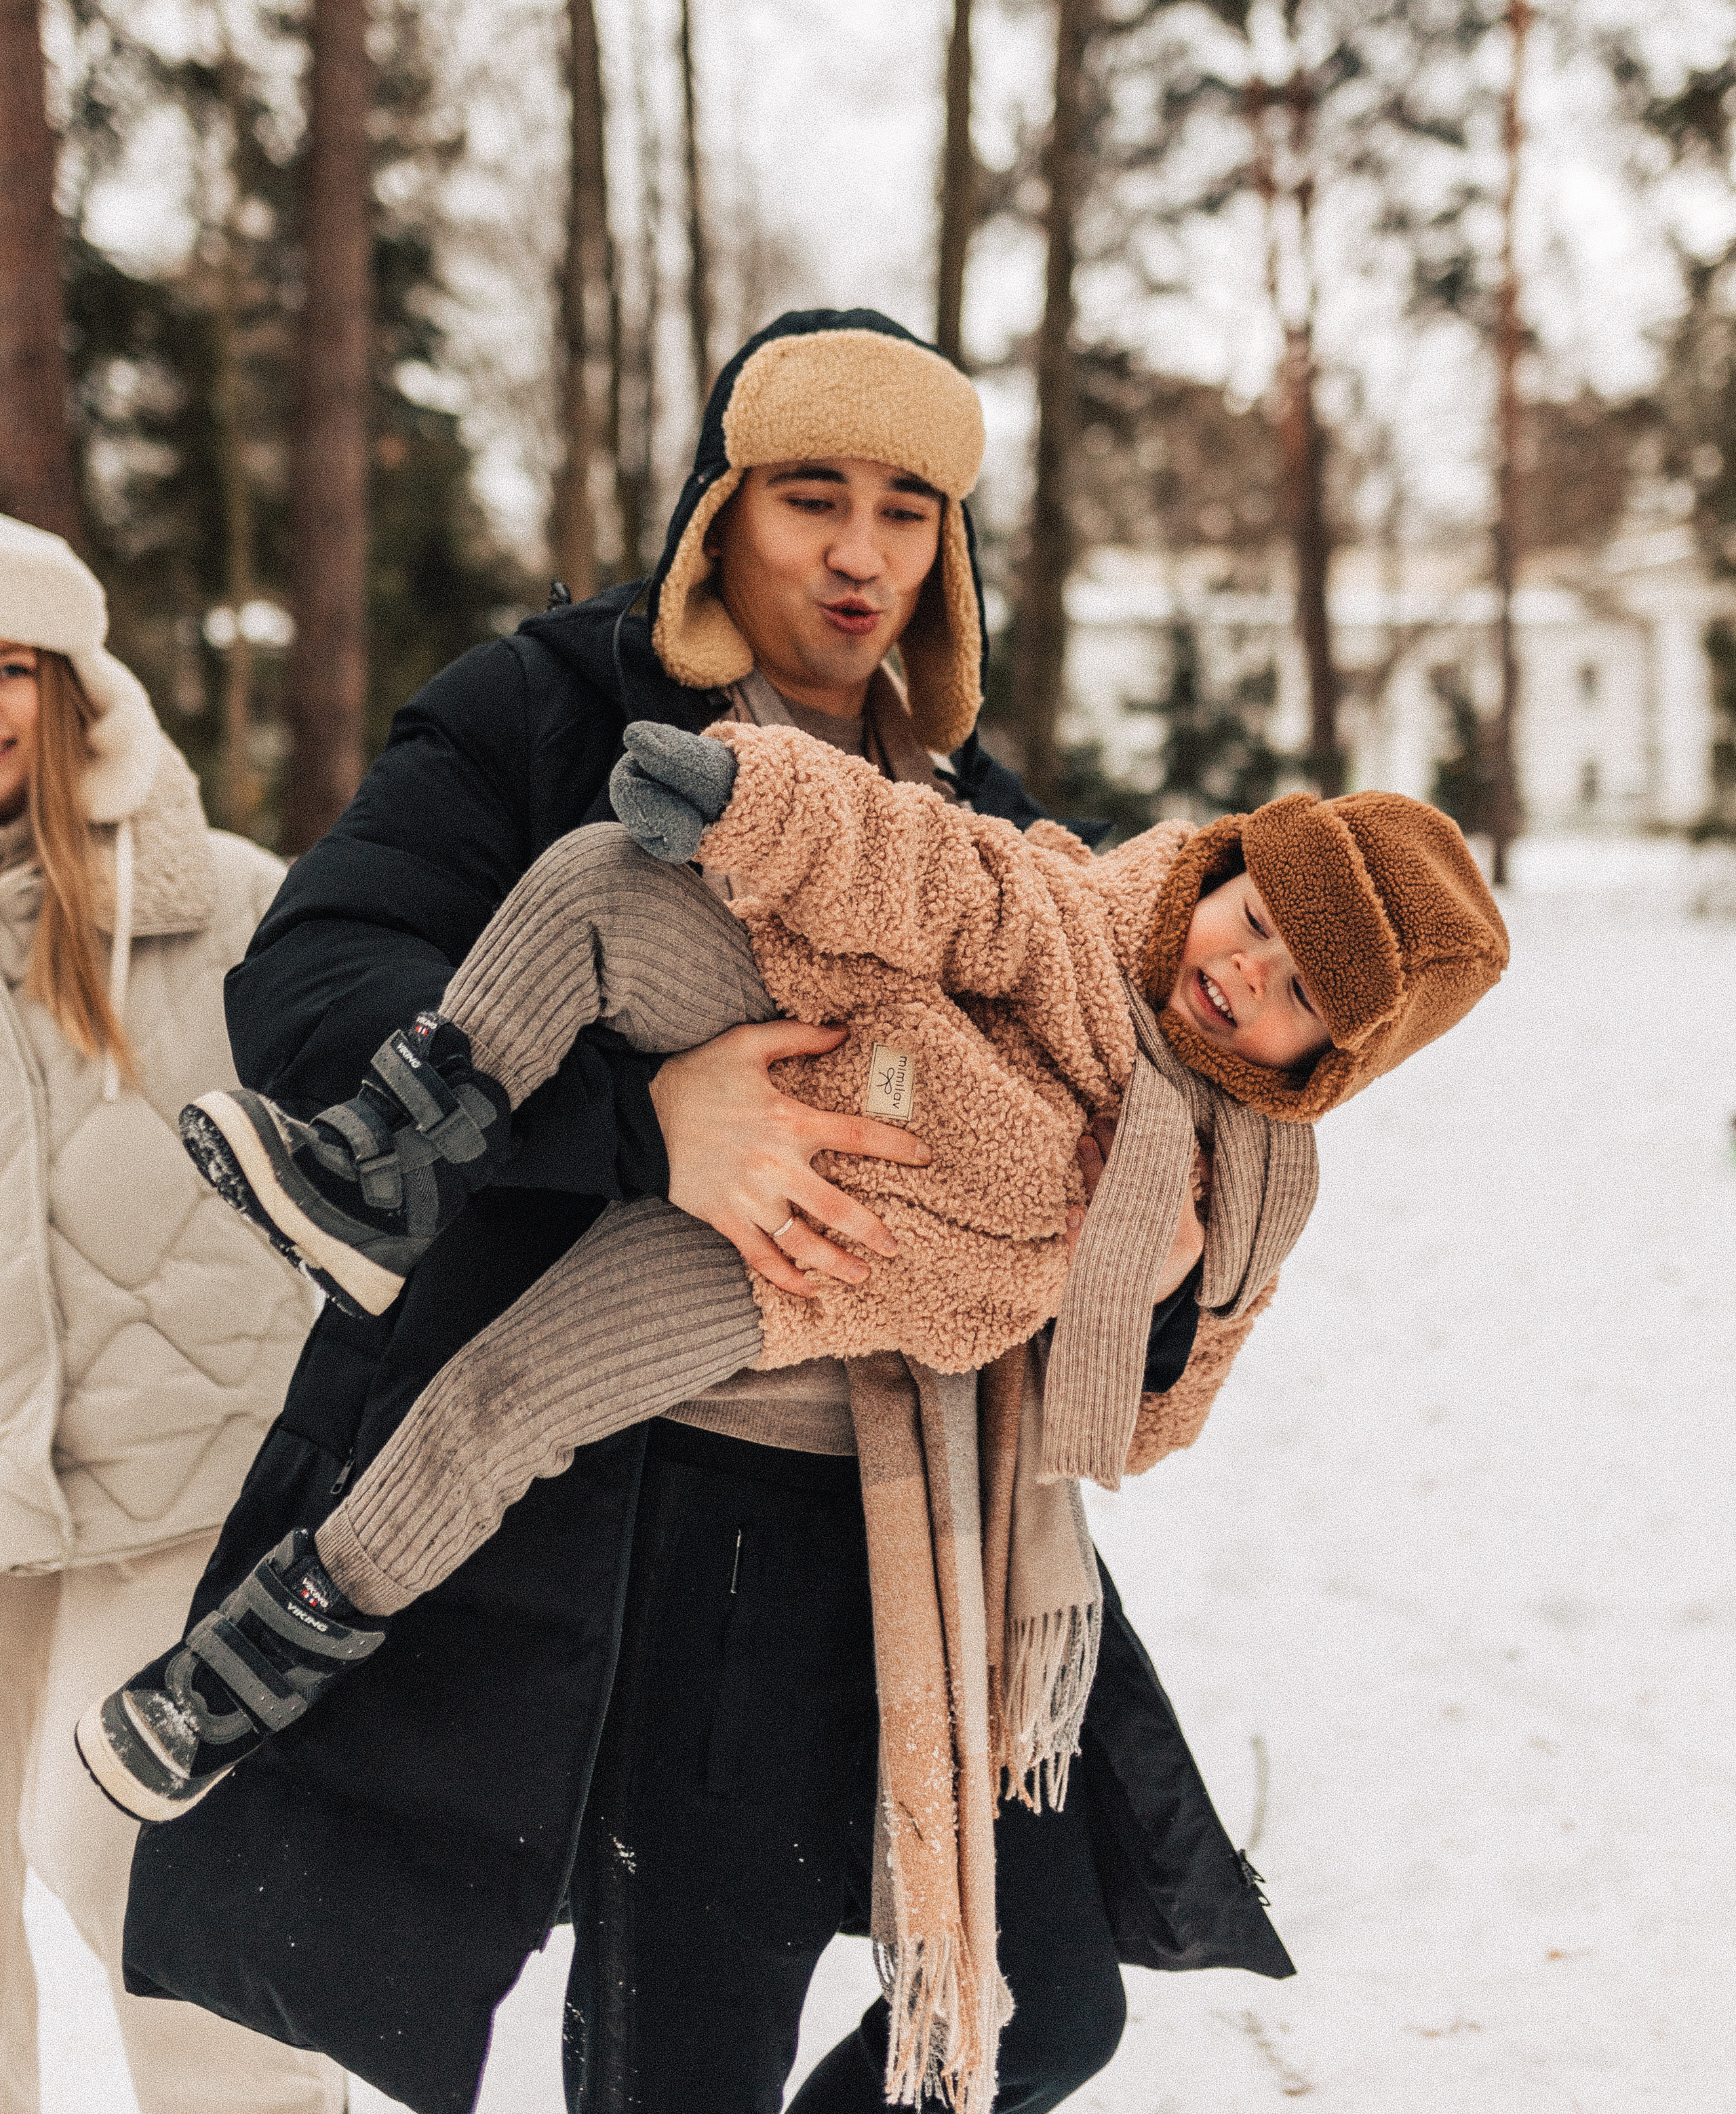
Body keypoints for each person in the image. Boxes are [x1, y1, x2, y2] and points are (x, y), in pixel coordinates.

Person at [122, 310, 1305, 2114]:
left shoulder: (977, 814)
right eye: (811, 496)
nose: (857, 554)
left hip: (929, 1535)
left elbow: (1097, 1161)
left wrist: (1168, 1255)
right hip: (652, 1522)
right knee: (690, 2069)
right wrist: (639, 1123)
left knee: (1039, 2011)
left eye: (908, 512)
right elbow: (316, 978)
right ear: (716, 509)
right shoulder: (550, 714)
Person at [84, 728, 1504, 2108]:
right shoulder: (1064, 906)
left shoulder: (1253, 1189)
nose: (1241, 970)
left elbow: (1139, 1431)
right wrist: (741, 795)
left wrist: (1159, 1300)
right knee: (590, 894)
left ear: (1330, 1060)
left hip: (801, 1284)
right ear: (1217, 868)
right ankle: (386, 1179)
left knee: (511, 1399)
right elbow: (912, 861)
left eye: (1297, 992)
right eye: (1250, 916)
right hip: (784, 1042)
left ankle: (297, 1612)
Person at [0, 517, 342, 2114]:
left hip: (180, 1467)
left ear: (76, 689)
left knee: (131, 1857)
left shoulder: (225, 906)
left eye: (12, 668)